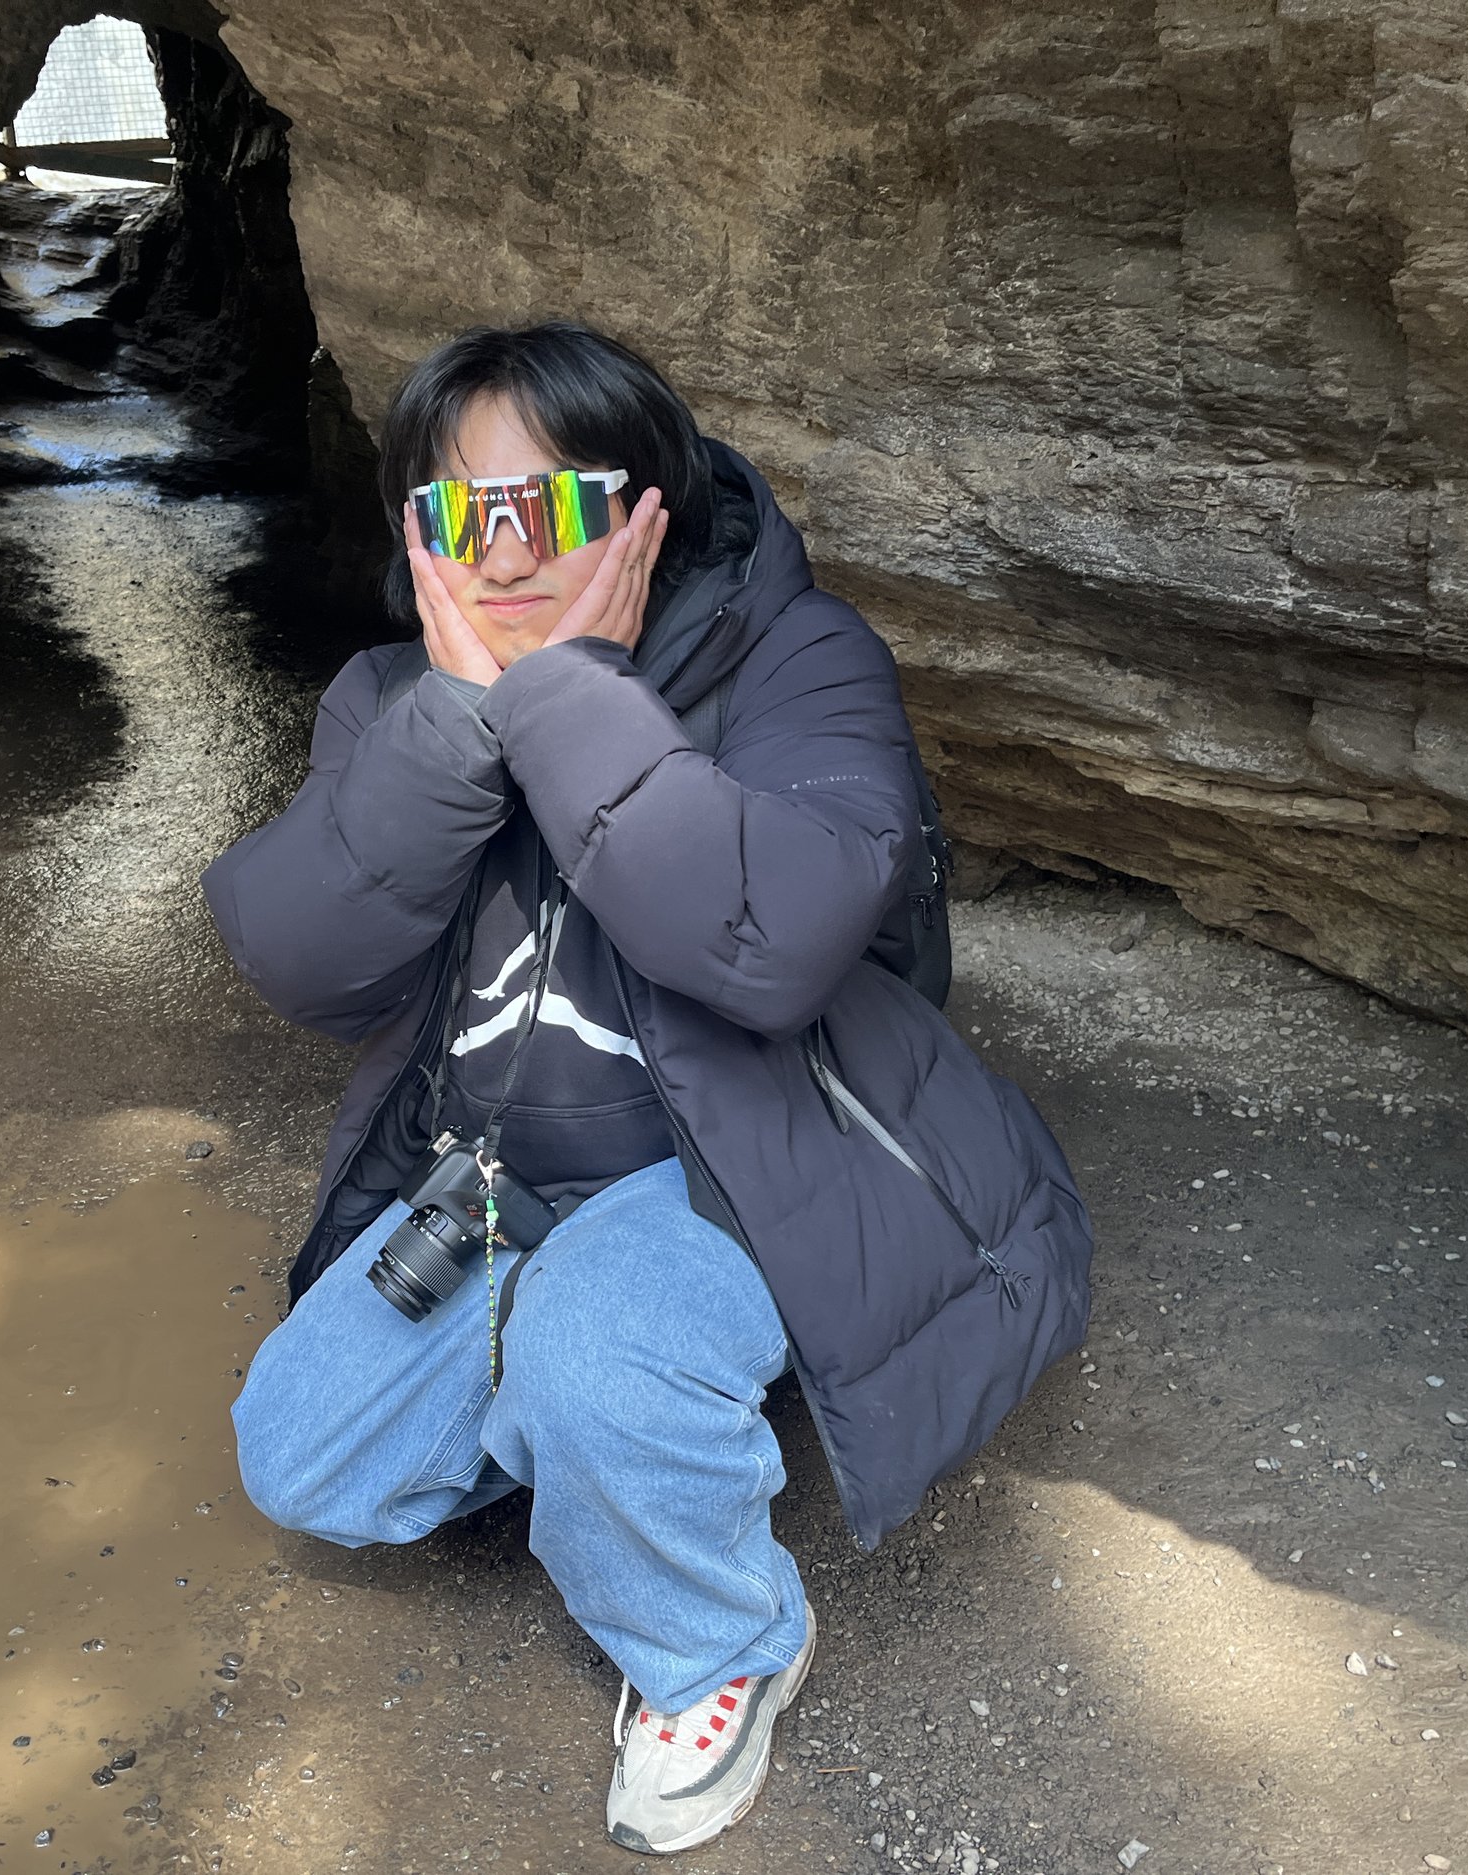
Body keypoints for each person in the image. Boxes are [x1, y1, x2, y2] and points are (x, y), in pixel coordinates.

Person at [202, 321, 1090, 1855]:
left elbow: (773, 942)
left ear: (645, 508)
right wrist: (463, 718)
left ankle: (716, 1641)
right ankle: (614, 1418)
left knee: (602, 1345)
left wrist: (563, 697)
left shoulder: (798, 656)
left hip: (751, 1164)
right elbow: (303, 961)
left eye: (547, 506)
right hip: (499, 1181)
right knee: (305, 1454)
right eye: (456, 514)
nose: (502, 553)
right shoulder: (385, 696)